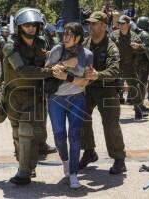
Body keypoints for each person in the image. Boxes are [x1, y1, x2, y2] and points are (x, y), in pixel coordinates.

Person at [2, 8, 55, 185]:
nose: (31, 28)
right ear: (19, 26)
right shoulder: (10, 45)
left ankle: (24, 171)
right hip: (14, 96)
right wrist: (49, 72)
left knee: (26, 131)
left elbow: (50, 60)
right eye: (27, 25)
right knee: (18, 134)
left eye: (34, 24)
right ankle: (26, 165)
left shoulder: (42, 43)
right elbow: (23, 71)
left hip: (35, 95)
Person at [79, 11, 127, 174]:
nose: (90, 26)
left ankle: (119, 159)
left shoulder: (111, 47)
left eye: (94, 23)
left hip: (107, 89)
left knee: (110, 124)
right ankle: (89, 152)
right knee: (81, 117)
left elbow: (114, 70)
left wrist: (98, 74)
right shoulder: (85, 43)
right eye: (89, 23)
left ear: (103, 26)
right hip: (88, 88)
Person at [46, 22, 93, 189]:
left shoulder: (87, 54)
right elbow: (46, 70)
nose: (64, 37)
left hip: (77, 98)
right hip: (56, 99)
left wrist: (66, 76)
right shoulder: (57, 50)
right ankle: (65, 160)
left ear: (78, 37)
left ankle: (73, 173)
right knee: (59, 137)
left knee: (75, 136)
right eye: (64, 33)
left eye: (69, 34)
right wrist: (66, 64)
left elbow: (85, 81)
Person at [110, 15, 148, 119]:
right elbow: (107, 46)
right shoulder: (114, 35)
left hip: (129, 65)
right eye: (120, 23)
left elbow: (144, 48)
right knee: (112, 86)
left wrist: (138, 46)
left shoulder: (134, 36)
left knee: (134, 86)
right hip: (116, 64)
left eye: (123, 23)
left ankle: (138, 109)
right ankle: (111, 111)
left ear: (128, 24)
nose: (121, 25)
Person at [135, 16, 149, 111]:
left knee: (135, 82)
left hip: (135, 62)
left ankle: (135, 102)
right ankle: (140, 104)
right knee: (142, 83)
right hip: (143, 62)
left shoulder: (134, 33)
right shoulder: (145, 35)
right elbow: (148, 50)